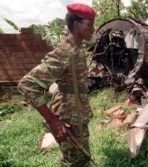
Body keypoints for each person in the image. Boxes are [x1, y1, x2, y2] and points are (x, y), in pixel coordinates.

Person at [17, 3, 96, 167]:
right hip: (69, 116)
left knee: (81, 159)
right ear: (76, 24)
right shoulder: (64, 52)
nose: (93, 29)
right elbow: (27, 84)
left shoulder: (77, 49)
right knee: (75, 162)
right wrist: (52, 120)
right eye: (89, 24)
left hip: (77, 113)